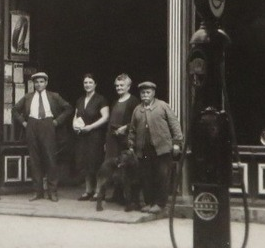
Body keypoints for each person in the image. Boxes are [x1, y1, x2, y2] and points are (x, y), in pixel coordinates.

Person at [13, 71, 72, 202]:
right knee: (35, 160)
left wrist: (57, 121)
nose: (39, 84)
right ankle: (37, 192)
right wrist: (23, 122)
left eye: (41, 82)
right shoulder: (28, 97)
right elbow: (15, 109)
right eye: (36, 82)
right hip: (32, 125)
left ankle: (52, 192)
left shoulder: (54, 96)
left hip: (48, 125)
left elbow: (68, 108)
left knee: (50, 159)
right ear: (33, 84)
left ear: (46, 83)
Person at [130, 80, 184, 214]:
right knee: (146, 177)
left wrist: (177, 143)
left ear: (153, 93)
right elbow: (132, 130)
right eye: (143, 93)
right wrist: (131, 144)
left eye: (148, 92)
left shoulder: (162, 106)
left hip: (162, 149)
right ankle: (149, 202)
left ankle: (160, 204)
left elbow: (175, 124)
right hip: (144, 150)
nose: (145, 95)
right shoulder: (137, 110)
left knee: (161, 176)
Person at [95, 73, 141, 212]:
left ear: (128, 86)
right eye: (117, 85)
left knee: (126, 169)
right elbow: (110, 122)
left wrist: (125, 128)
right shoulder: (115, 101)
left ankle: (130, 200)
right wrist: (106, 141)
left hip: (125, 140)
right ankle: (117, 195)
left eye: (122, 85)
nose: (119, 88)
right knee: (112, 168)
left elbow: (137, 120)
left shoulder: (134, 101)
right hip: (112, 139)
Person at [73, 74, 109, 200]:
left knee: (96, 163)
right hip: (83, 135)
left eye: (90, 82)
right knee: (85, 163)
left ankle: (99, 191)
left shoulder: (101, 99)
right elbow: (76, 115)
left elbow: (105, 117)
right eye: (85, 82)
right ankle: (88, 190)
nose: (87, 85)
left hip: (96, 135)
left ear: (95, 84)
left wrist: (92, 127)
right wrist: (74, 125)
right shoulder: (80, 100)